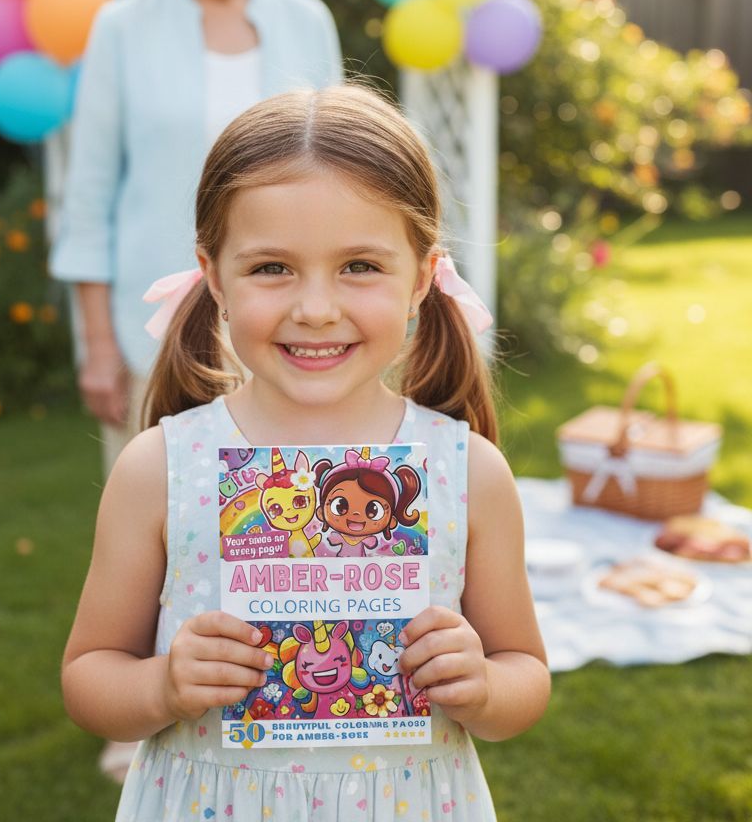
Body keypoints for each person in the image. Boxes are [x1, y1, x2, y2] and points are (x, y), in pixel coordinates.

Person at [62, 85, 550, 821]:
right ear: (215, 275)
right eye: (272, 268)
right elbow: (89, 676)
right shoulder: (161, 468)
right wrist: (161, 686)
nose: (315, 307)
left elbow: (526, 674)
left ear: (421, 278)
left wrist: (481, 684)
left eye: (359, 265)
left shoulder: (467, 470)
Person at [49, 0, 342, 478]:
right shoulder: (120, 28)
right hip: (152, 335)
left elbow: (339, 179)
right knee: (157, 539)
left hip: (290, 329)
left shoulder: (307, 21)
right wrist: (97, 349)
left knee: (285, 534)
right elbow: (89, 199)